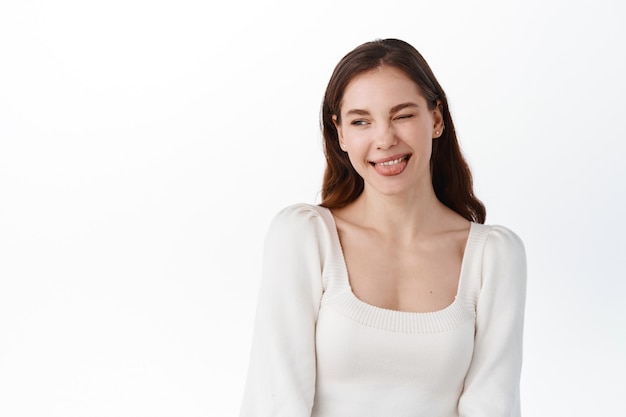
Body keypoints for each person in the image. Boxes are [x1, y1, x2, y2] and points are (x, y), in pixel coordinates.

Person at [240, 38, 527, 417]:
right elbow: (274, 402)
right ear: (340, 133)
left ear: (437, 118)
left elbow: (493, 405)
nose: (385, 139)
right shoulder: (306, 238)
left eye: (403, 115)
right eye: (361, 121)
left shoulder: (493, 256)